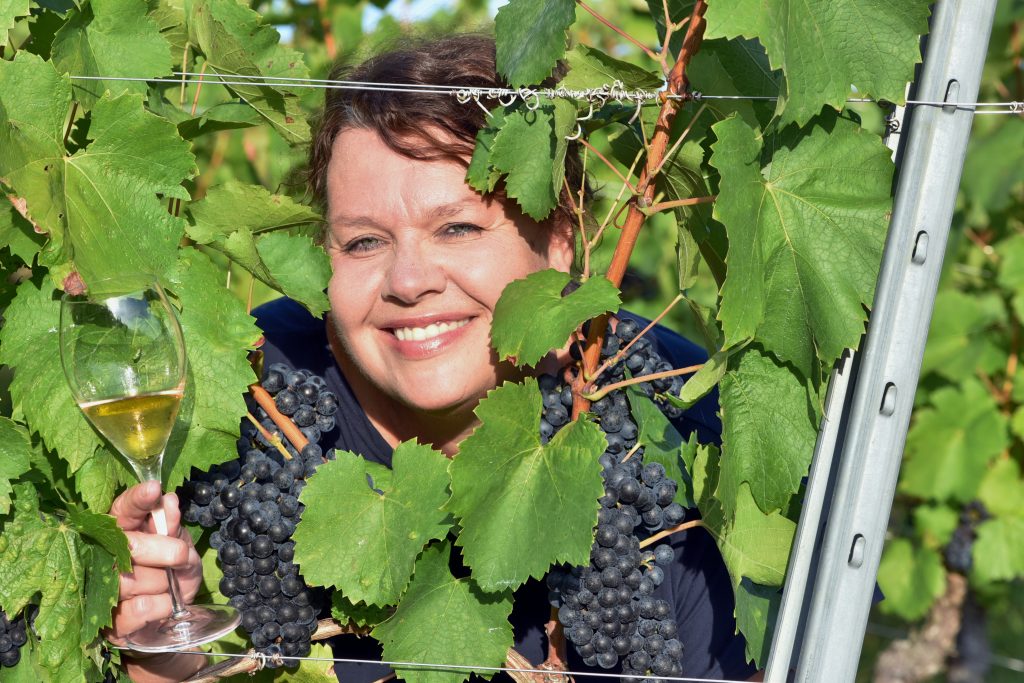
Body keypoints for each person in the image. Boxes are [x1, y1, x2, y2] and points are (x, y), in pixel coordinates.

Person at [107, 35, 759, 683]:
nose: (409, 281)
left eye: (457, 228)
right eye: (364, 241)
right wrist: (164, 663)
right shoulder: (242, 396)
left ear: (561, 240)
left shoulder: (680, 431)